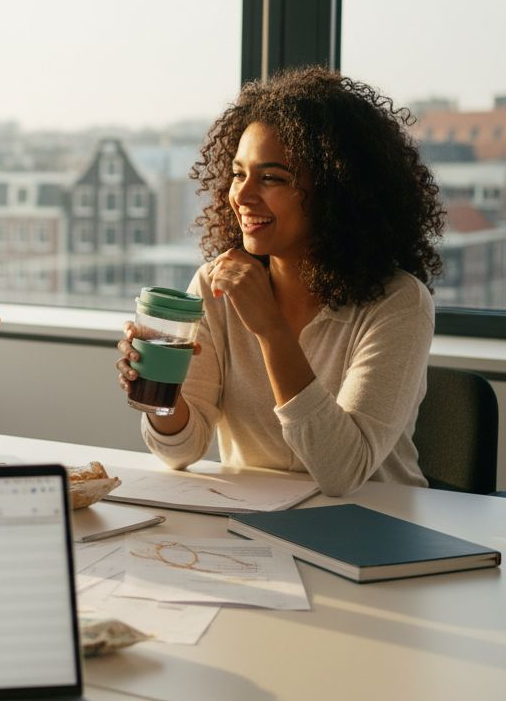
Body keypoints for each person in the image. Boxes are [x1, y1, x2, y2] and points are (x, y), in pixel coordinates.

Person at [115, 66, 444, 497]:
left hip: (374, 527)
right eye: (238, 173)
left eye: (272, 178)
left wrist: (270, 329)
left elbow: (342, 472)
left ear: (335, 190)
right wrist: (163, 399)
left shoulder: (398, 303)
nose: (243, 195)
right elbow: (183, 449)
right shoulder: (217, 286)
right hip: (256, 530)